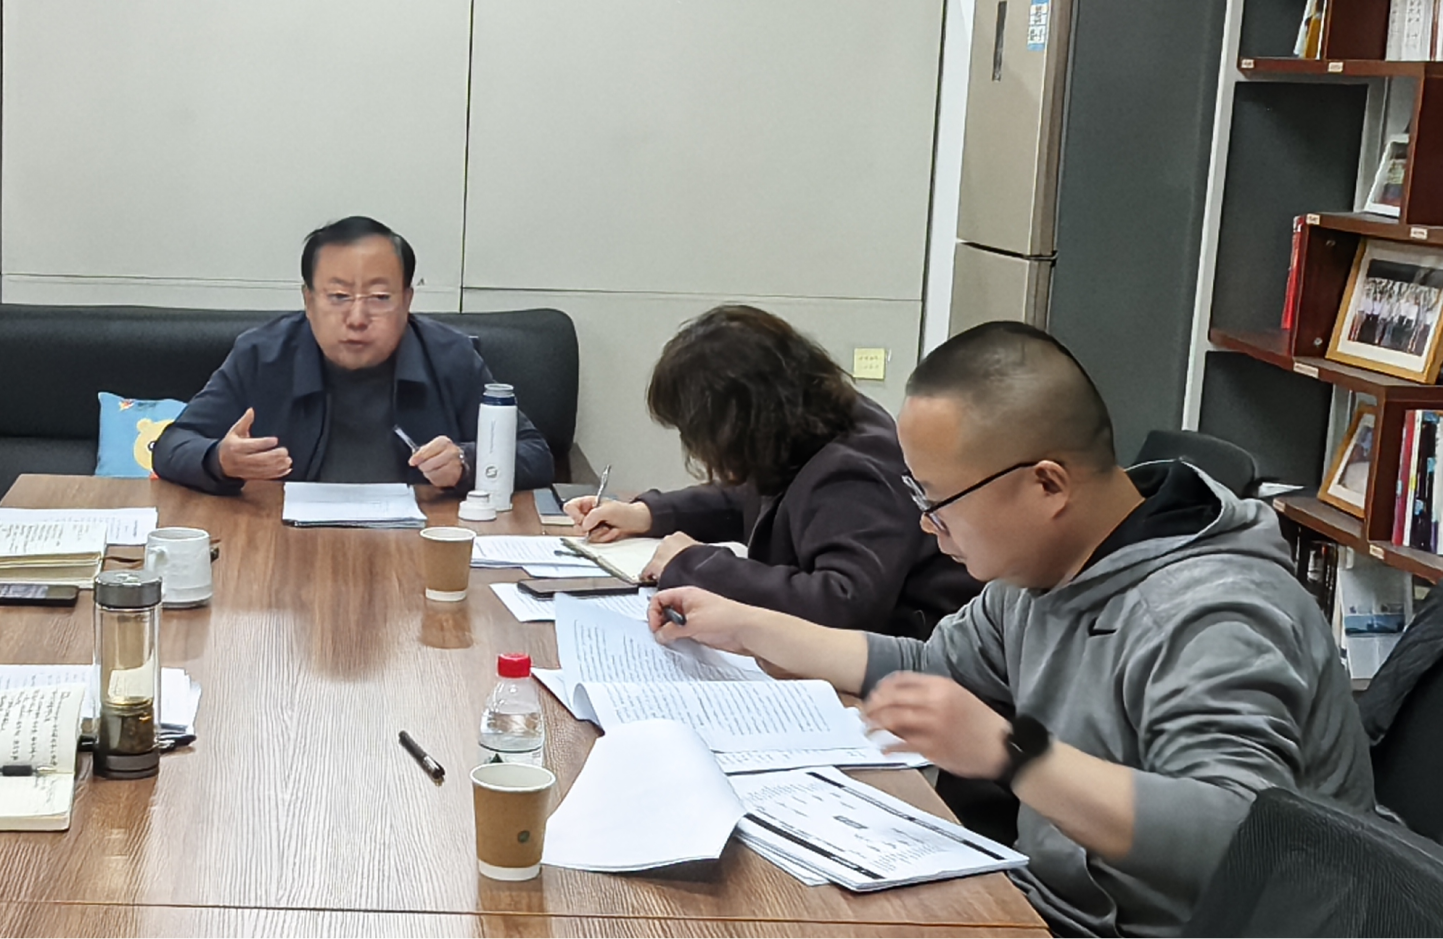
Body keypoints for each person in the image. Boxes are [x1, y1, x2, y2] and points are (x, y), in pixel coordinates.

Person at [649, 322, 1373, 939]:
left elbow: (1239, 837)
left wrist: (1012, 754)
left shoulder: (1212, 612)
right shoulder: (1041, 574)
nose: (927, 527)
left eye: (939, 500)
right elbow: (929, 666)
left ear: (1047, 484)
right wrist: (749, 626)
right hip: (1047, 905)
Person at [565, 305, 976, 637]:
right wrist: (647, 514)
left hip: (902, 668)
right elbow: (751, 496)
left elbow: (842, 604)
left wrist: (697, 565)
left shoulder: (854, 468)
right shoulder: (808, 426)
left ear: (742, 420)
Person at [153, 215, 553, 495]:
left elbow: (535, 454)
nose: (357, 318)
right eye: (339, 296)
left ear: (407, 300)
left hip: (417, 550)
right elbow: (172, 446)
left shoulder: (450, 357)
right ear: (309, 300)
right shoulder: (262, 355)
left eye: (379, 297)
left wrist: (465, 462)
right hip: (287, 550)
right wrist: (219, 460)